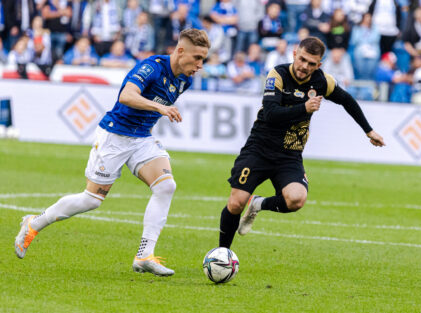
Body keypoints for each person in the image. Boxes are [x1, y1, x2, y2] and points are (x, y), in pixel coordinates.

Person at [14, 29, 210, 277]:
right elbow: (127, 96)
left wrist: (157, 111)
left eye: (203, 59)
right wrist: (160, 108)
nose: (200, 65)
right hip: (115, 136)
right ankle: (34, 223)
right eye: (197, 58)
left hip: (141, 138)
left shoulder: (185, 79)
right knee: (91, 200)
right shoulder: (152, 67)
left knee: (165, 187)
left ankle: (144, 255)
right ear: (180, 51)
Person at [217, 36, 385, 249]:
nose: (305, 67)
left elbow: (347, 100)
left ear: (319, 65)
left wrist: (368, 130)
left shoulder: (322, 81)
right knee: (235, 203)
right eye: (302, 59)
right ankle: (222, 254)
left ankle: (258, 203)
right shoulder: (278, 74)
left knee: (296, 199)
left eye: (311, 64)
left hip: (289, 155)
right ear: (295, 54)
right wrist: (304, 108)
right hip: (259, 150)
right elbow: (270, 113)